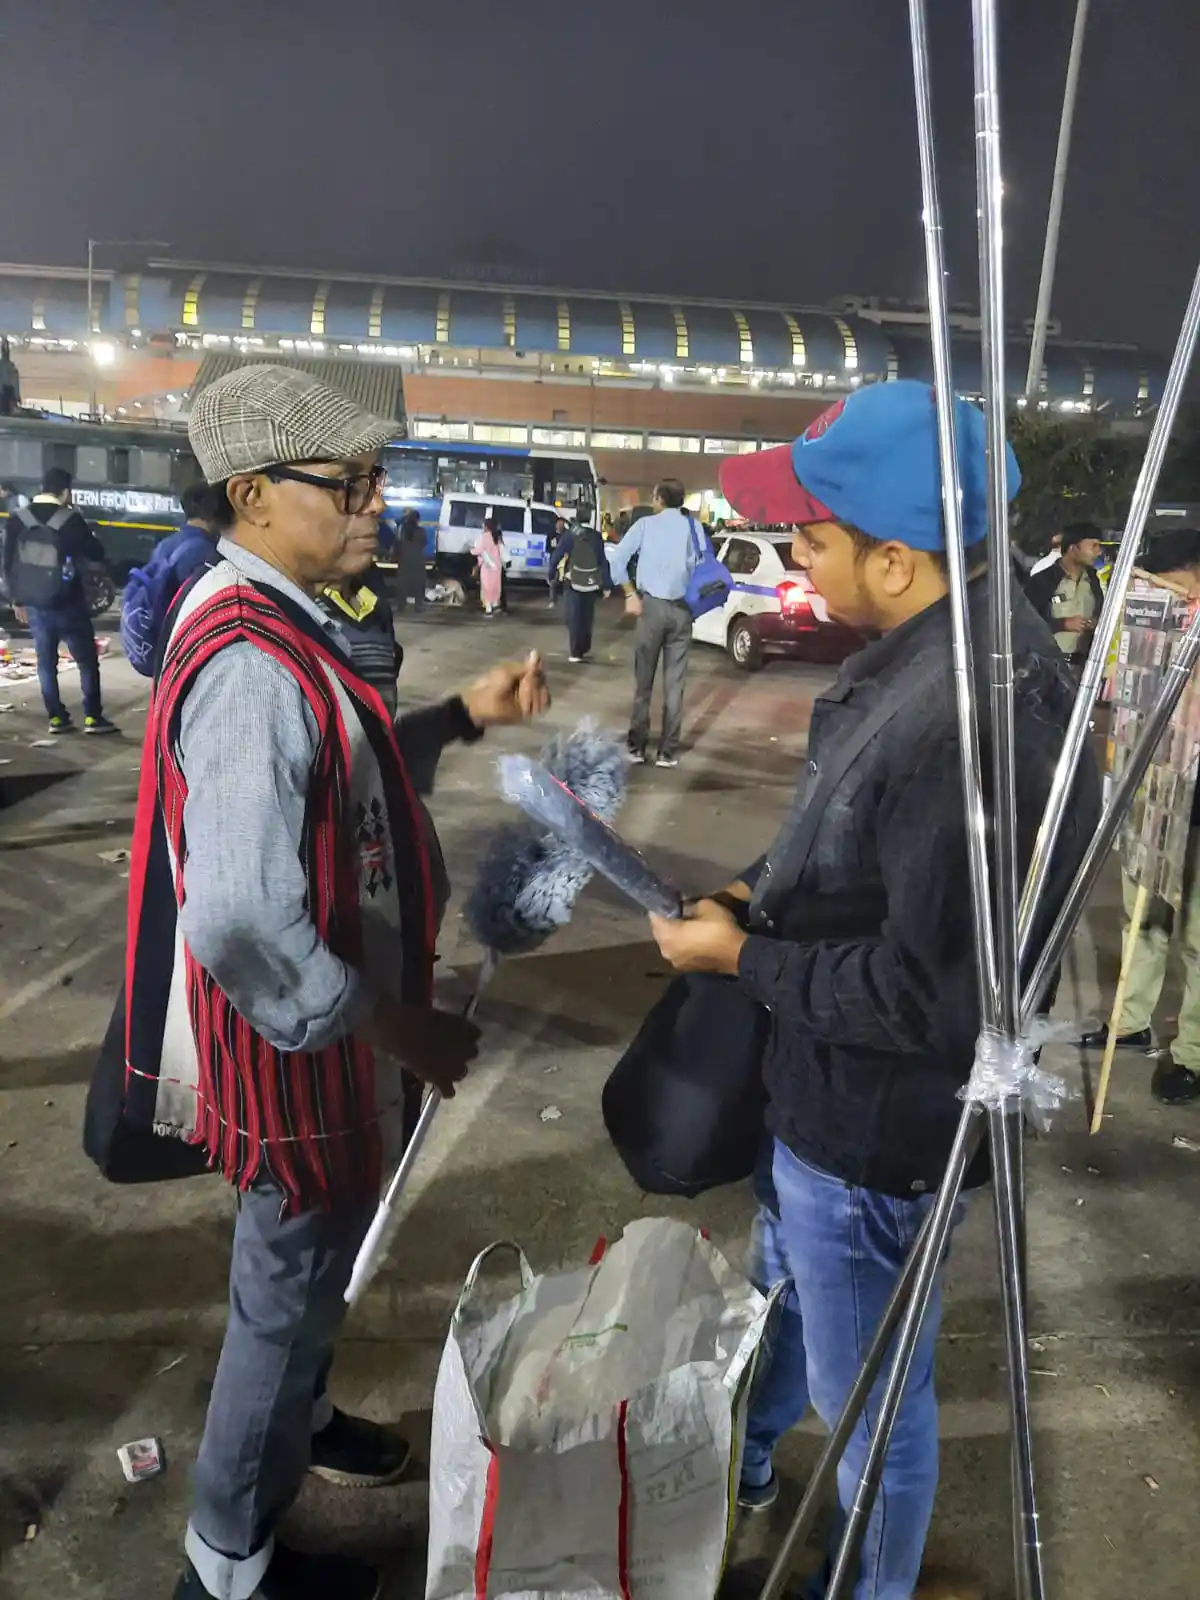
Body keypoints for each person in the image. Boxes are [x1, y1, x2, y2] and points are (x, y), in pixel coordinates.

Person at [647, 380, 1100, 1600]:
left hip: (874, 1135)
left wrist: (738, 959)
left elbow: (935, 1001)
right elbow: (841, 849)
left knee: (871, 1410)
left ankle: (867, 1585)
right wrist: (754, 895)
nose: (792, 555)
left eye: (809, 538)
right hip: (820, 1108)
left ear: (896, 561)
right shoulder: (921, 657)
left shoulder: (974, 717)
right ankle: (743, 1464)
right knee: (790, 1314)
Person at [112, 364, 550, 1600]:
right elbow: (244, 915)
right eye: (348, 483)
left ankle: (296, 1431)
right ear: (252, 492)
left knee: (305, 1281)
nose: (375, 505)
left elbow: (345, 769)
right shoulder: (250, 658)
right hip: (303, 1054)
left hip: (331, 1039)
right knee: (282, 1293)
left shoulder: (285, 614)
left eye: (377, 479)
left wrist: (462, 714)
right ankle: (229, 1564)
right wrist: (397, 1026)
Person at [1081, 527, 1200, 1105]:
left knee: (1197, 936)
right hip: (1154, 795)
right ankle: (1130, 1024)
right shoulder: (1153, 624)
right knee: (1142, 920)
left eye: (1169, 585)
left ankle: (1193, 1056)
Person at [0, 466, 117, 734]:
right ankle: (92, 718)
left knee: (45, 662)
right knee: (86, 661)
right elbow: (96, 552)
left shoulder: (18, 518)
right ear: (66, 491)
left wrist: (17, 600)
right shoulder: (70, 519)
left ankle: (57, 719)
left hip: (35, 603)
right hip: (69, 602)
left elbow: (7, 563)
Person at [607, 478, 703, 768]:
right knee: (675, 685)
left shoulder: (646, 525)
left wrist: (630, 593)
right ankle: (667, 752)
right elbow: (701, 565)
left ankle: (637, 747)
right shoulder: (694, 528)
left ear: (660, 499)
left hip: (651, 607)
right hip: (683, 610)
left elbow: (617, 560)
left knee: (643, 682)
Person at [120, 482, 221, 674]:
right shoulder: (203, 551)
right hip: (179, 650)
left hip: (160, 642)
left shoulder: (167, 544)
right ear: (212, 513)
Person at [1025, 522, 1105, 672]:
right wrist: (1061, 624)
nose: (1099, 552)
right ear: (1072, 548)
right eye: (1093, 545)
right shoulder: (1043, 581)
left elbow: (1100, 610)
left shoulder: (1093, 580)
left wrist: (1095, 623)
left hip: (1084, 668)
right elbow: (1024, 623)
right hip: (1049, 668)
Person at [553, 502, 611, 661]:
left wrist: (551, 573)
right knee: (586, 617)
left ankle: (575, 652)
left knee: (573, 617)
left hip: (573, 582)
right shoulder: (596, 536)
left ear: (577, 515)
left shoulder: (570, 534)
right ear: (590, 517)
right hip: (591, 583)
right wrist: (606, 585)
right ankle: (584, 646)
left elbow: (557, 555)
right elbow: (603, 562)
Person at [393, 507, 428, 611]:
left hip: (405, 558)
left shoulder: (404, 531)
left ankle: (401, 604)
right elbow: (424, 543)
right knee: (418, 582)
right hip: (417, 558)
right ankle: (418, 605)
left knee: (403, 581)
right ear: (417, 520)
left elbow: (397, 543)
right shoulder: (421, 531)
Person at [472, 513, 506, 615]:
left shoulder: (484, 537)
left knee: (486, 587)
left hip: (487, 565)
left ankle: (488, 608)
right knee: (495, 586)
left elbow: (479, 550)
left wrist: (471, 551)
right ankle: (495, 604)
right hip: (497, 565)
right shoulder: (498, 536)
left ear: (487, 526)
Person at [546, 514, 567, 606]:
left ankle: (567, 601)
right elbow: (547, 548)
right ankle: (552, 601)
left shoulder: (566, 534)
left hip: (565, 560)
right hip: (555, 560)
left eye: (562, 524)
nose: (560, 525)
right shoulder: (551, 534)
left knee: (566, 582)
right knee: (553, 581)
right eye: (559, 523)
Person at [0, 337, 20, 416]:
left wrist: (16, 396)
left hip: (8, 394)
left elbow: (15, 382)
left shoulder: (11, 367)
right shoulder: (9, 366)